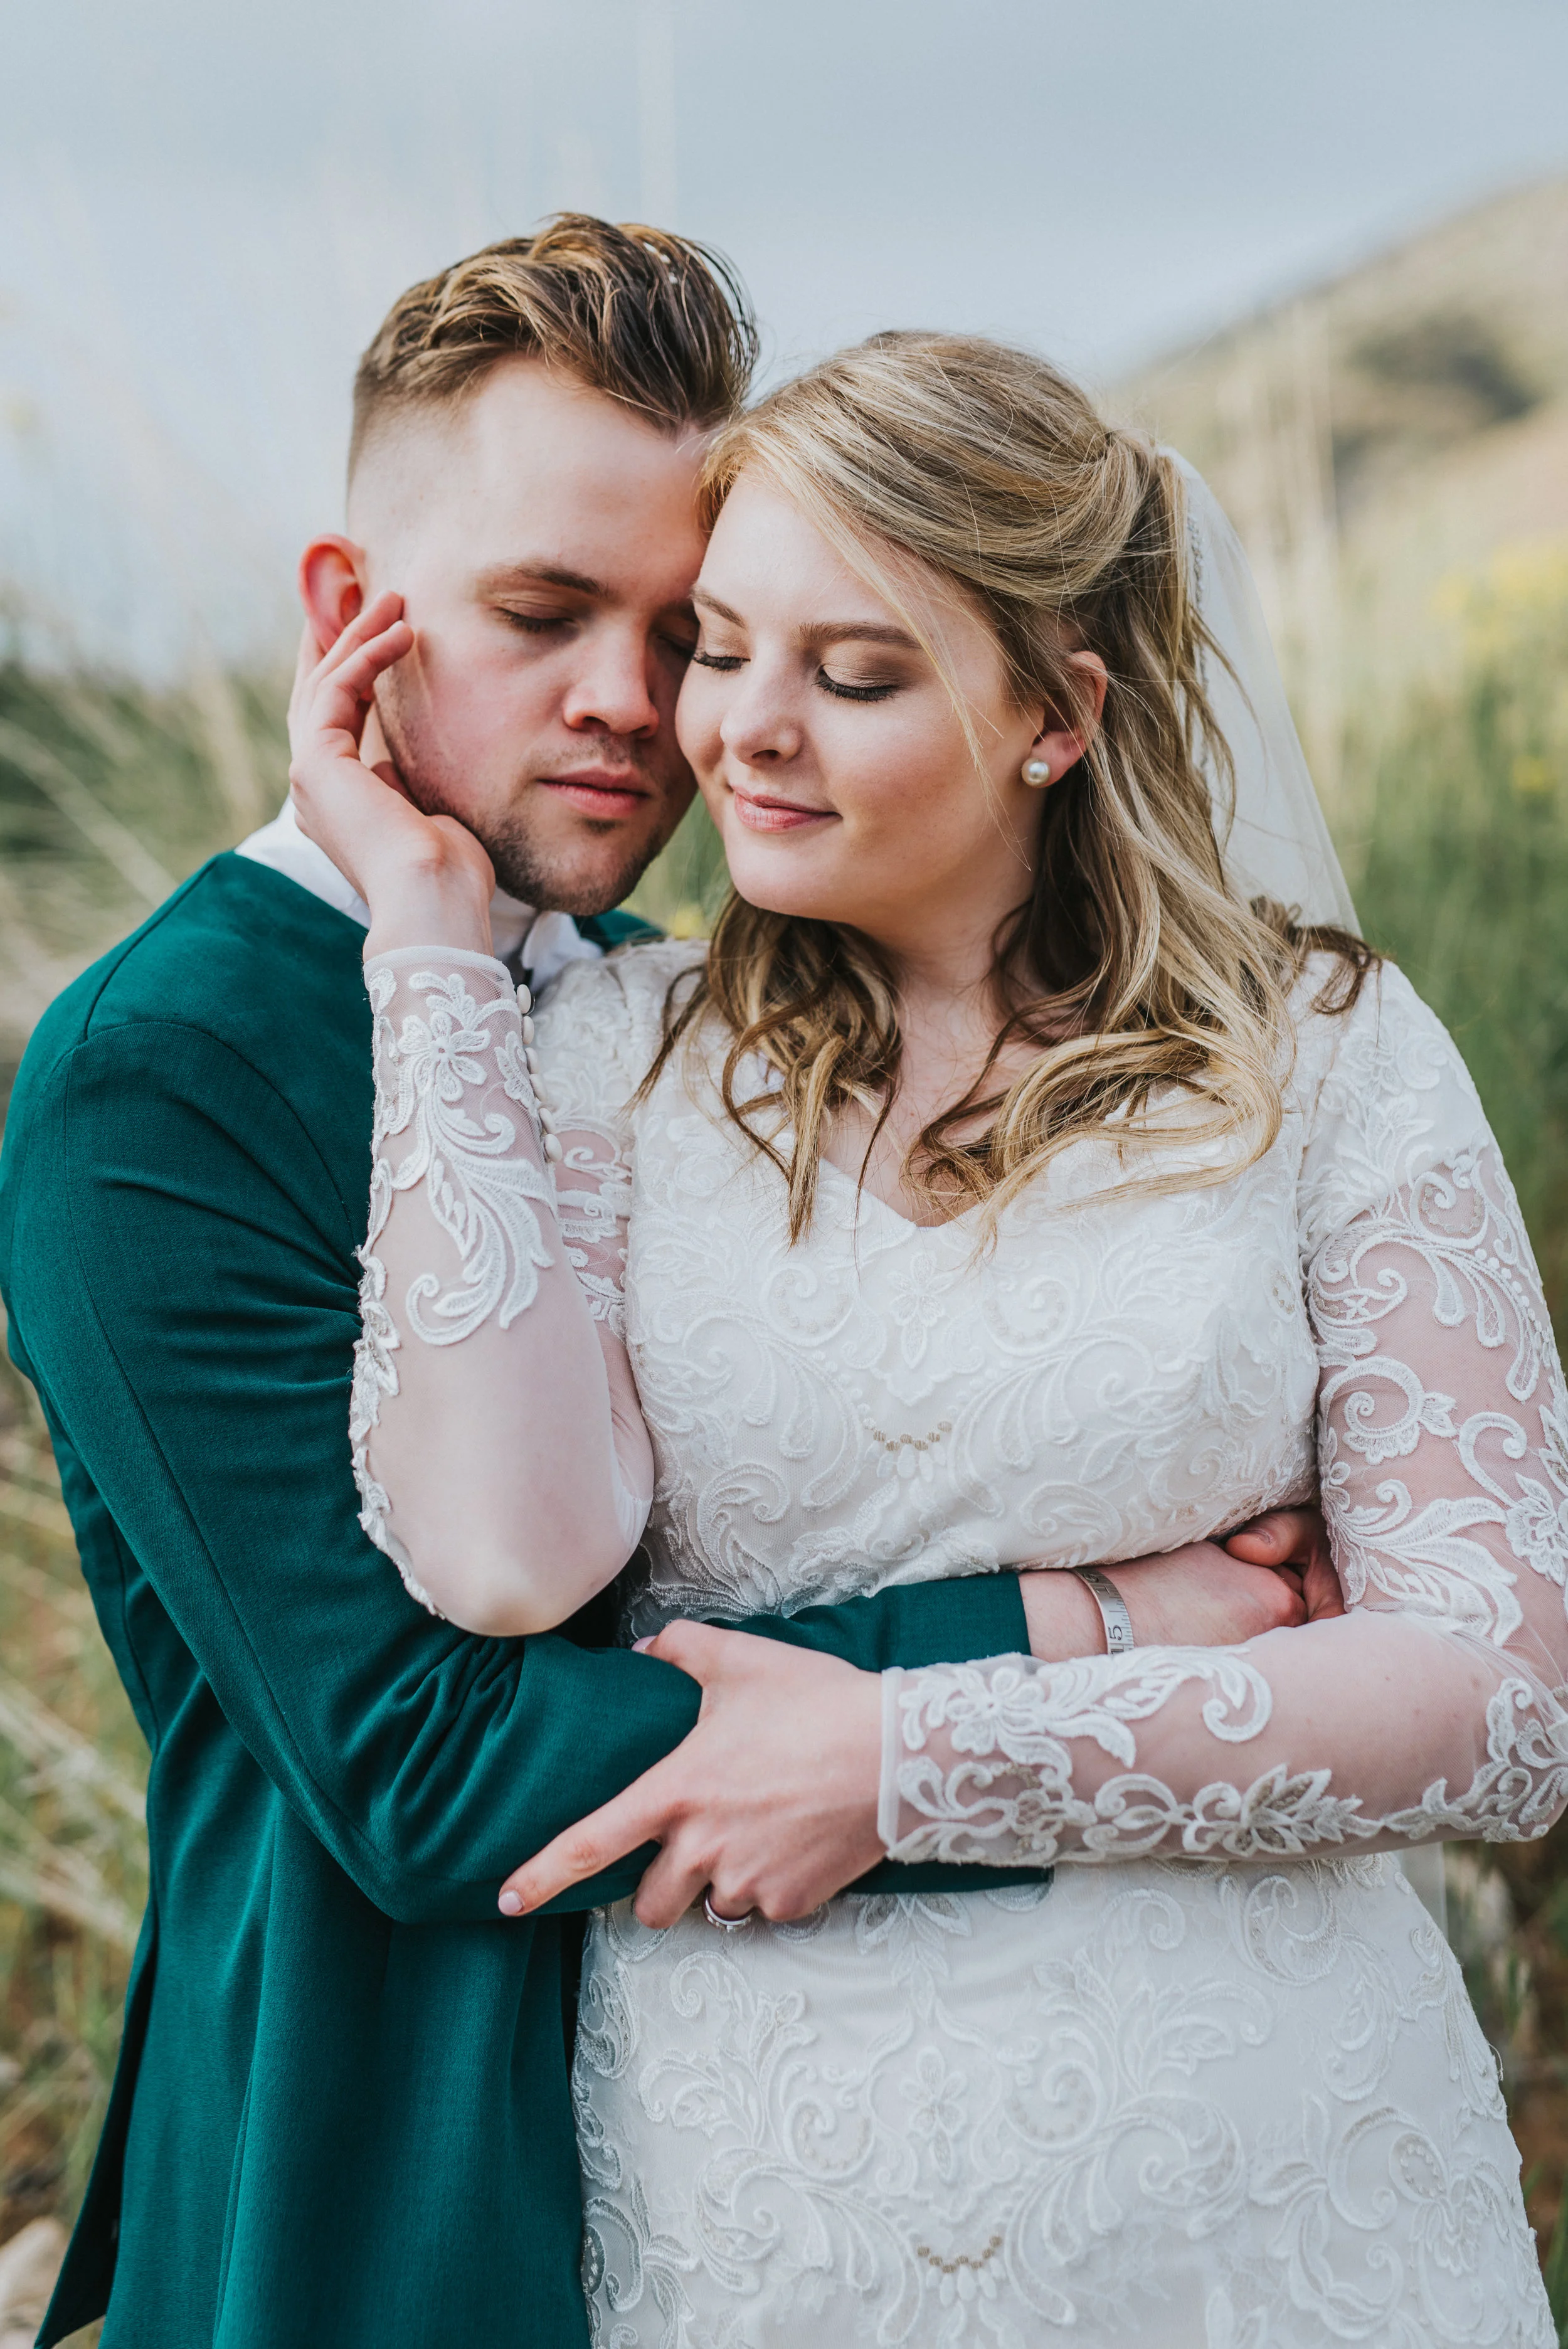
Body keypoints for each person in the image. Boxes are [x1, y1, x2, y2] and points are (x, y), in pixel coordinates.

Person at [0, 224, 1313, 2349]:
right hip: (398, 2171)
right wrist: (1072, 1638)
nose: (639, 704)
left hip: (818, 2156)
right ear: (349, 617)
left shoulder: (662, 1003)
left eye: (678, 627)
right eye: (542, 616)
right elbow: (419, 1765)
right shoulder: (160, 1078)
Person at [289, 328, 1568, 2344]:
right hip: (765, 2214)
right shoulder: (601, 1058)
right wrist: (431, 957)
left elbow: (1500, 1700)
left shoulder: (1321, 1056)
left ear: (1054, 714)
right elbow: (499, 1552)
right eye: (721, 646)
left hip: (1273, 2192)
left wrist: (909, 1762)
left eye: (854, 673)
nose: (737, 733)